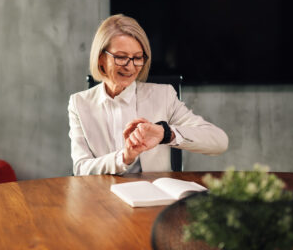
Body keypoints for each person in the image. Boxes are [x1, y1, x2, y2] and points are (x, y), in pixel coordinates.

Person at [68, 14, 228, 176]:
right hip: (102, 195)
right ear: (101, 58)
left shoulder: (163, 96)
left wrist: (165, 133)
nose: (130, 67)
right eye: (122, 57)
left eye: (138, 58)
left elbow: (219, 141)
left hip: (153, 194)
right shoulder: (79, 103)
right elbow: (81, 168)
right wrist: (125, 156)